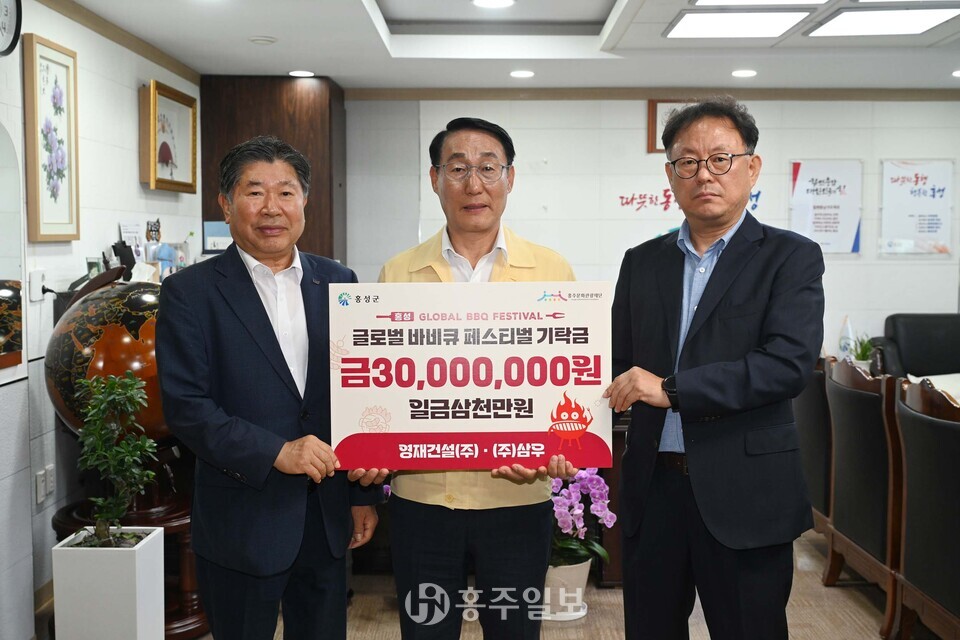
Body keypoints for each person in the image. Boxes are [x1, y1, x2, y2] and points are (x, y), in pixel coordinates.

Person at [603, 97, 825, 640]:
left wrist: (672, 389)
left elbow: (787, 365)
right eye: (688, 162)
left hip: (746, 493)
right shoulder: (641, 261)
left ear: (752, 166)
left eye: (720, 159)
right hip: (654, 490)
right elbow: (616, 365)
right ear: (670, 175)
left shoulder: (790, 257)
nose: (704, 174)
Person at [156, 135, 385, 640]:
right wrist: (276, 451)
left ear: (305, 202)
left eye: (285, 192)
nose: (271, 208)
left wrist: (360, 494)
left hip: (324, 518)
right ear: (226, 204)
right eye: (254, 192)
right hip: (241, 519)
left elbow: (361, 394)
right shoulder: (189, 293)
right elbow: (188, 408)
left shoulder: (340, 282)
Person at [379, 117, 576, 639]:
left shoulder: (553, 271)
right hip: (423, 502)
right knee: (425, 632)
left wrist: (562, 448)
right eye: (458, 168)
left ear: (510, 178)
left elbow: (568, 384)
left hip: (518, 503)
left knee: (514, 632)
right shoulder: (397, 273)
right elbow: (381, 387)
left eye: (489, 168)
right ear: (434, 179)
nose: (474, 184)